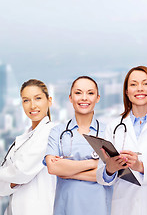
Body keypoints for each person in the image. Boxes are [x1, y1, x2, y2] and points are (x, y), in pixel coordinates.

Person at [96, 66, 147, 215]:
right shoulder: (114, 127)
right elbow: (101, 177)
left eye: (145, 84)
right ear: (127, 92)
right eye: (134, 84)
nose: (139, 89)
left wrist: (140, 167)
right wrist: (110, 169)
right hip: (124, 207)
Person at [45, 76, 111, 215]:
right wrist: (95, 163)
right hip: (66, 207)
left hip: (99, 208)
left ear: (98, 98)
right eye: (78, 92)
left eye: (90, 93)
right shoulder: (58, 132)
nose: (84, 98)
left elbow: (109, 175)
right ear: (70, 98)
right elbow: (53, 167)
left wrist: (67, 171)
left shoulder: (109, 132)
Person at [0, 79, 57, 215]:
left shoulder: (50, 133)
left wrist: (0, 174)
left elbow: (22, 172)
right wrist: (10, 180)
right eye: (26, 100)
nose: (32, 105)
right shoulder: (22, 139)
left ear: (49, 101)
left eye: (38, 98)